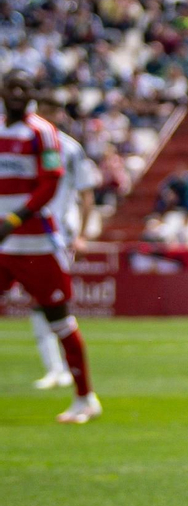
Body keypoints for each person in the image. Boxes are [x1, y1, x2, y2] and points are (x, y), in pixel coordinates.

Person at [0, 73, 100, 423]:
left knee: (59, 320)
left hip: (37, 243)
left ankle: (85, 398)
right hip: (4, 246)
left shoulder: (42, 133)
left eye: (23, 89)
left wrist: (12, 221)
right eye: (10, 87)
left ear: (32, 95)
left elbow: (50, 183)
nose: (16, 93)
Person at [28, 103, 97, 390]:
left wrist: (81, 234)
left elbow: (86, 194)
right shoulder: (19, 143)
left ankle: (62, 371)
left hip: (56, 234)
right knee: (41, 303)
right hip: (21, 232)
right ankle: (57, 368)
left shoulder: (70, 149)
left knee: (49, 302)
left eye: (53, 112)